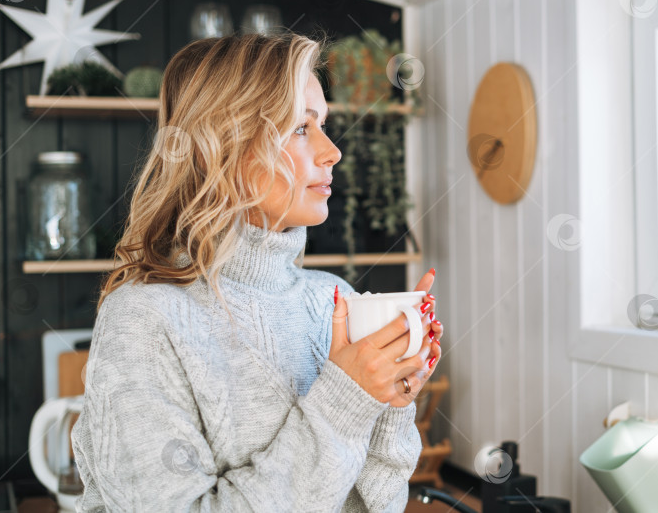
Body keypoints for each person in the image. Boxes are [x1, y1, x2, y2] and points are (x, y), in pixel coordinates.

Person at [70, 32, 444, 511]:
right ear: (225, 143)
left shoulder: (335, 300)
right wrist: (345, 401)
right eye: (302, 128)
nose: (334, 152)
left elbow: (375, 504)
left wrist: (390, 399)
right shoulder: (144, 320)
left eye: (324, 125)